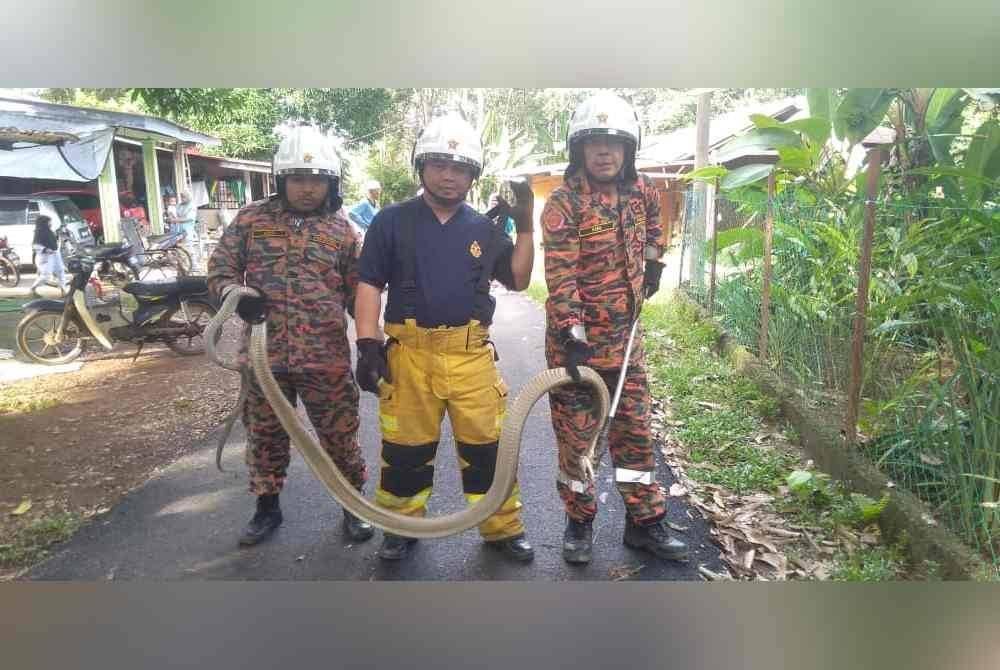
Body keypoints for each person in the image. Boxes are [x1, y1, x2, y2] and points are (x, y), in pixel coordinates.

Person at [354, 113, 536, 562]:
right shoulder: (391, 221)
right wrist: (367, 344)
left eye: (460, 168)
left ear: (473, 175)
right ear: (421, 167)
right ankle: (401, 527)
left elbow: (518, 280)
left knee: (488, 449)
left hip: (470, 356)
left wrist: (526, 225)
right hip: (410, 356)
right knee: (405, 450)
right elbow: (369, 284)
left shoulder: (485, 229)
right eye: (439, 165)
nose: (449, 176)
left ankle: (502, 528)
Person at [207, 125, 373, 547]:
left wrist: (373, 345)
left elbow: (360, 293)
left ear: (331, 183)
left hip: (325, 358)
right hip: (265, 357)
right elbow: (220, 269)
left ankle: (353, 506)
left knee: (339, 435)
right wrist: (235, 296)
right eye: (298, 178)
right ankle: (267, 508)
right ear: (281, 179)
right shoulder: (252, 220)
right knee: (265, 435)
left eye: (317, 180)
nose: (307, 188)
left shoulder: (343, 231)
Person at [541, 92, 687, 565]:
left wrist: (654, 264)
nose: (604, 151)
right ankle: (579, 523)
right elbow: (560, 275)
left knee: (636, 435)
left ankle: (645, 524)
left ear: (629, 149)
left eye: (614, 143)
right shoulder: (563, 203)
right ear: (578, 149)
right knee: (579, 441)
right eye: (594, 142)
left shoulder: (643, 191)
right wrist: (572, 332)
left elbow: (655, 227)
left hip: (627, 345)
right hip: (577, 350)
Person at [29, 215, 66, 298]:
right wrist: (45, 249)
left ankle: (63, 290)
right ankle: (33, 288)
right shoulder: (38, 233)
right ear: (44, 223)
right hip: (46, 257)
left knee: (60, 271)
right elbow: (35, 245)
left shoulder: (50, 231)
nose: (50, 223)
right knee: (46, 276)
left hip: (55, 254)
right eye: (49, 222)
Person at [175, 191, 200, 268]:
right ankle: (183, 265)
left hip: (188, 230)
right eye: (181, 197)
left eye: (184, 197)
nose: (182, 198)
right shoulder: (179, 205)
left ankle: (194, 265)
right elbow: (176, 214)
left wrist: (176, 220)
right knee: (179, 249)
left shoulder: (192, 206)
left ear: (189, 197)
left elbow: (189, 218)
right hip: (178, 230)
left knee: (189, 248)